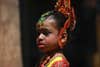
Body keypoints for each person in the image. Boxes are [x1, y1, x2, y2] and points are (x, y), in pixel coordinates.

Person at [35, 0, 76, 67]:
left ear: (63, 37)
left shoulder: (59, 63)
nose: (40, 37)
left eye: (46, 33)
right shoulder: (46, 59)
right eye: (38, 33)